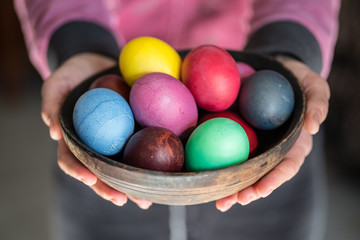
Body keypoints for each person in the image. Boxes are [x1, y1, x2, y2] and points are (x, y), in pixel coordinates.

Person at [15, 0, 340, 239]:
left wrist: (287, 45)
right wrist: (77, 41)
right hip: (110, 156)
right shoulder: (110, 114)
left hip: (261, 148)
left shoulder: (251, 105)